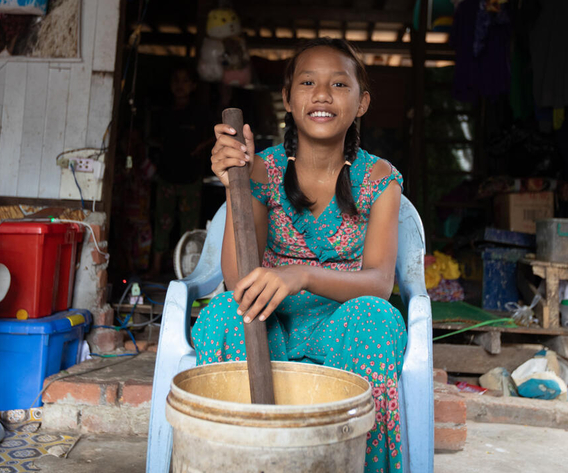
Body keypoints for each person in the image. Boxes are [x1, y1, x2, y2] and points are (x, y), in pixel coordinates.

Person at [195, 38, 407, 473]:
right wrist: (235, 182)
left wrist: (301, 274)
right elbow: (239, 280)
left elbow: (380, 283)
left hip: (343, 327)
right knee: (225, 312)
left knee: (379, 318)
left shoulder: (380, 178)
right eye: (308, 82)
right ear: (289, 100)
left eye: (339, 84)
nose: (323, 94)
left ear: (362, 103)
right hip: (274, 322)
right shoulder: (260, 168)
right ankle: (238, 462)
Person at [149, 63, 212, 276]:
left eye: (185, 81)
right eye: (176, 80)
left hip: (191, 178)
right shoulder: (164, 113)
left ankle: (187, 273)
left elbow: (216, 134)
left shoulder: (199, 114)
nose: (180, 85)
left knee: (189, 227)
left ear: (193, 86)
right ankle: (156, 268)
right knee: (162, 223)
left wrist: (200, 148)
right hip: (166, 177)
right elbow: (152, 139)